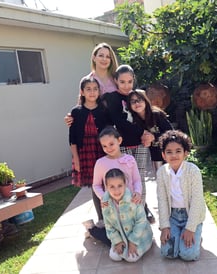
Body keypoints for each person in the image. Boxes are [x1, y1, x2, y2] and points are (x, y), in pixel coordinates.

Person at [101, 65, 154, 207]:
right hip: (122, 145)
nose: (126, 85)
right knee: (126, 177)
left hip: (140, 143)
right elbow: (119, 121)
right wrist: (142, 132)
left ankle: (142, 208)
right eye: (122, 82)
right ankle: (129, 208)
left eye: (129, 81)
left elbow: (146, 116)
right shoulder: (112, 98)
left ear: (133, 80)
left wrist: (148, 134)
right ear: (115, 81)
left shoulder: (137, 96)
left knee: (140, 177)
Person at [156, 130, 206, 261]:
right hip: (173, 216)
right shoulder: (161, 172)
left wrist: (190, 228)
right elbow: (162, 200)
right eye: (169, 152)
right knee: (168, 253)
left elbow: (197, 200)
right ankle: (177, 234)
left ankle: (196, 234)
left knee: (188, 255)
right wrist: (165, 226)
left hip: (191, 216)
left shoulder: (193, 171)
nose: (174, 155)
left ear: (186, 153)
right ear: (163, 155)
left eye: (178, 151)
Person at [69, 76, 111, 222]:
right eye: (88, 89)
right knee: (96, 185)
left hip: (102, 151)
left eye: (95, 89)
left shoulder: (104, 110)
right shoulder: (76, 112)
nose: (92, 92)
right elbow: (72, 138)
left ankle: (112, 216)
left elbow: (110, 131)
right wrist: (76, 159)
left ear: (99, 91)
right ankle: (101, 219)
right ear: (82, 92)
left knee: (108, 182)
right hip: (85, 153)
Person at [102, 168, 153, 262]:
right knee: (114, 256)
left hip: (139, 235)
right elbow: (108, 225)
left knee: (131, 258)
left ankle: (146, 243)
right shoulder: (106, 204)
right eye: (112, 186)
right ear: (107, 187)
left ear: (125, 184)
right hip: (121, 236)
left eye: (120, 185)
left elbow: (141, 221)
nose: (116, 190)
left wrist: (133, 241)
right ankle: (91, 229)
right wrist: (117, 241)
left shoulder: (134, 200)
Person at [126, 89, 173, 173]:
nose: (137, 103)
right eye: (133, 102)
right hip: (151, 156)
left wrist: (153, 137)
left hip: (167, 153)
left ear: (145, 100)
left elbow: (171, 133)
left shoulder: (156, 115)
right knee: (159, 180)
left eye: (139, 100)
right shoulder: (132, 120)